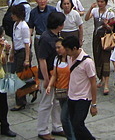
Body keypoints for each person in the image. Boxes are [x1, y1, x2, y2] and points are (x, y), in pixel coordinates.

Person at [62, 36, 98, 140]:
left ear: (74, 48)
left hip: (83, 98)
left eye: (67, 50)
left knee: (78, 124)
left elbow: (93, 82)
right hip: (72, 96)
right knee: (73, 124)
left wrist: (94, 104)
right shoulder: (69, 57)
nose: (66, 52)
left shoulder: (87, 62)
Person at [36, 11, 66, 140]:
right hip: (47, 74)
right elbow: (42, 59)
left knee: (57, 101)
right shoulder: (46, 38)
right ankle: (42, 130)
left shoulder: (56, 36)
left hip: (57, 73)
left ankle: (57, 126)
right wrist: (46, 79)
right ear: (58, 25)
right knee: (46, 102)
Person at [85, 0, 115, 95]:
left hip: (105, 37)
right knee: (97, 58)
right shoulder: (95, 11)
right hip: (96, 37)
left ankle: (106, 82)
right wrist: (90, 8)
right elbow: (86, 18)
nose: (100, 3)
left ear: (106, 3)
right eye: (98, 1)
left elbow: (112, 28)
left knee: (105, 59)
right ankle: (101, 78)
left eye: (102, 2)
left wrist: (107, 25)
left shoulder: (109, 13)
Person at [46, 39, 74, 140]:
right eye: (56, 48)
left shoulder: (71, 59)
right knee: (67, 117)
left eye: (59, 47)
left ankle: (71, 137)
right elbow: (54, 75)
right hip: (60, 91)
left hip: (70, 92)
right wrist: (49, 85)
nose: (57, 50)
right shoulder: (57, 59)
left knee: (64, 117)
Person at [8, 5, 31, 111]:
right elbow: (14, 40)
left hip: (22, 53)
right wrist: (12, 52)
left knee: (20, 77)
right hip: (17, 52)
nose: (12, 16)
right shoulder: (15, 25)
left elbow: (27, 44)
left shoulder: (24, 26)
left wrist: (27, 59)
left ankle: (20, 101)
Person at [29, 0, 58, 64]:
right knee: (41, 59)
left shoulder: (52, 10)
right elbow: (31, 27)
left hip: (51, 37)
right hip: (39, 38)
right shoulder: (33, 12)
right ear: (36, 1)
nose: (42, 1)